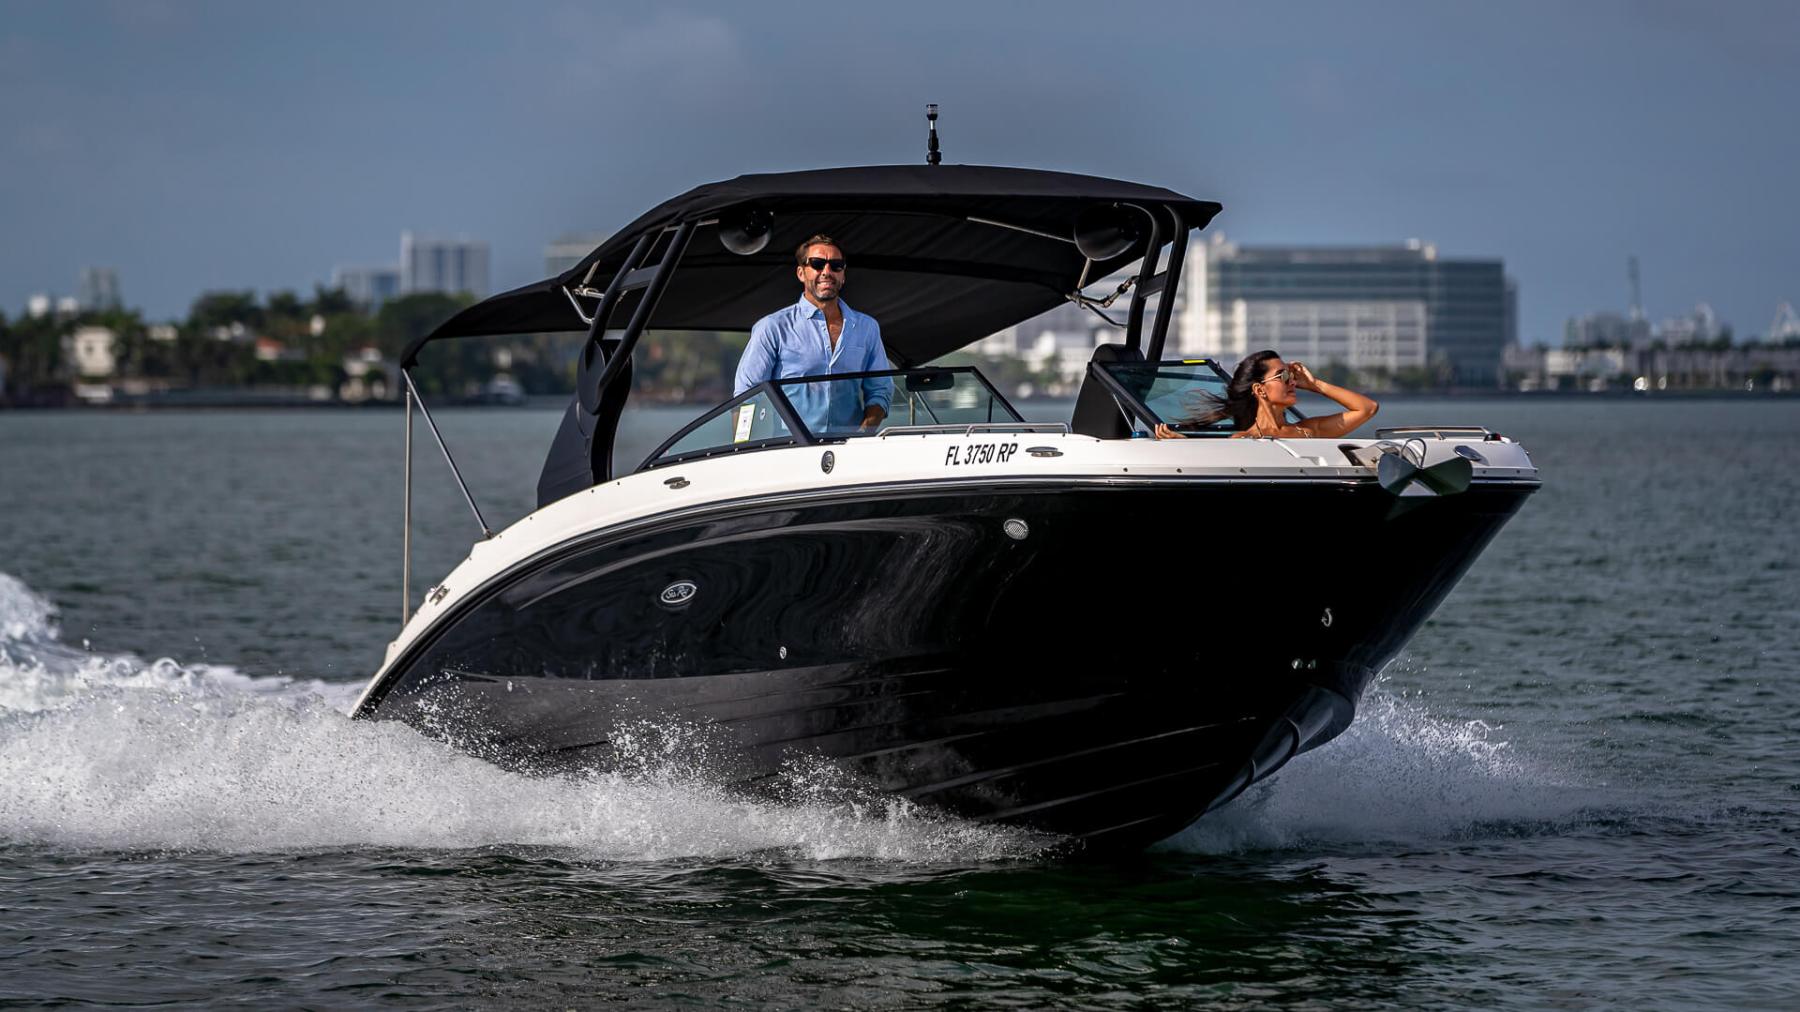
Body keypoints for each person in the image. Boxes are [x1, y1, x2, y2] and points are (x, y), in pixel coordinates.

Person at [733, 234, 892, 435]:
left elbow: (880, 390)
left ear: (843, 275)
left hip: (850, 448)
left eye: (836, 265)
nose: (827, 271)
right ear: (801, 273)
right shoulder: (772, 327)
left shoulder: (867, 327)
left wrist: (861, 436)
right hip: (791, 448)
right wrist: (741, 449)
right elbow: (746, 397)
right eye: (817, 264)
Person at [1152, 349, 1378, 439]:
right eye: (1283, 376)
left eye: (1291, 375)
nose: (1292, 381)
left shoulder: (1309, 430)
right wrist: (1184, 443)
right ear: (1260, 389)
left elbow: (1367, 408)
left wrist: (1314, 384)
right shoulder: (1243, 439)